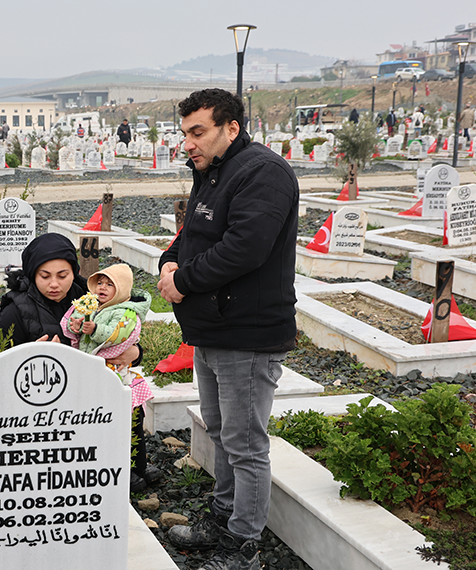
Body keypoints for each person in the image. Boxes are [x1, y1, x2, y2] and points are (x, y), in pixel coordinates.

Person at [157, 88, 299, 570]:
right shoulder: (213, 171)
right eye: (185, 134)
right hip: (214, 327)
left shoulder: (263, 173)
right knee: (220, 429)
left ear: (231, 128)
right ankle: (222, 516)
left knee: (244, 441)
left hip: (248, 332)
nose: (188, 144)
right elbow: (193, 233)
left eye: (198, 133)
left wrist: (183, 282)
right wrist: (168, 261)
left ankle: (243, 543)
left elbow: (245, 249)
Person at [0, 234, 156, 490]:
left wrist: (135, 353)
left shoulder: (90, 298)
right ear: (32, 274)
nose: (55, 284)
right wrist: (31, 356)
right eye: (45, 276)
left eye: (63, 275)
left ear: (75, 272)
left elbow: (118, 337)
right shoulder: (16, 309)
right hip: (43, 402)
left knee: (130, 399)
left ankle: (133, 464)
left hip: (90, 386)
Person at [59, 263, 158, 492]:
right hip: (92, 372)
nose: (102, 288)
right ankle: (117, 466)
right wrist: (76, 326)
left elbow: (117, 334)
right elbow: (77, 328)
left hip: (115, 374)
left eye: (110, 284)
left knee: (130, 419)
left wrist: (93, 330)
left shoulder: (124, 311)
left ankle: (136, 466)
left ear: (122, 289)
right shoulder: (94, 306)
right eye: (99, 283)